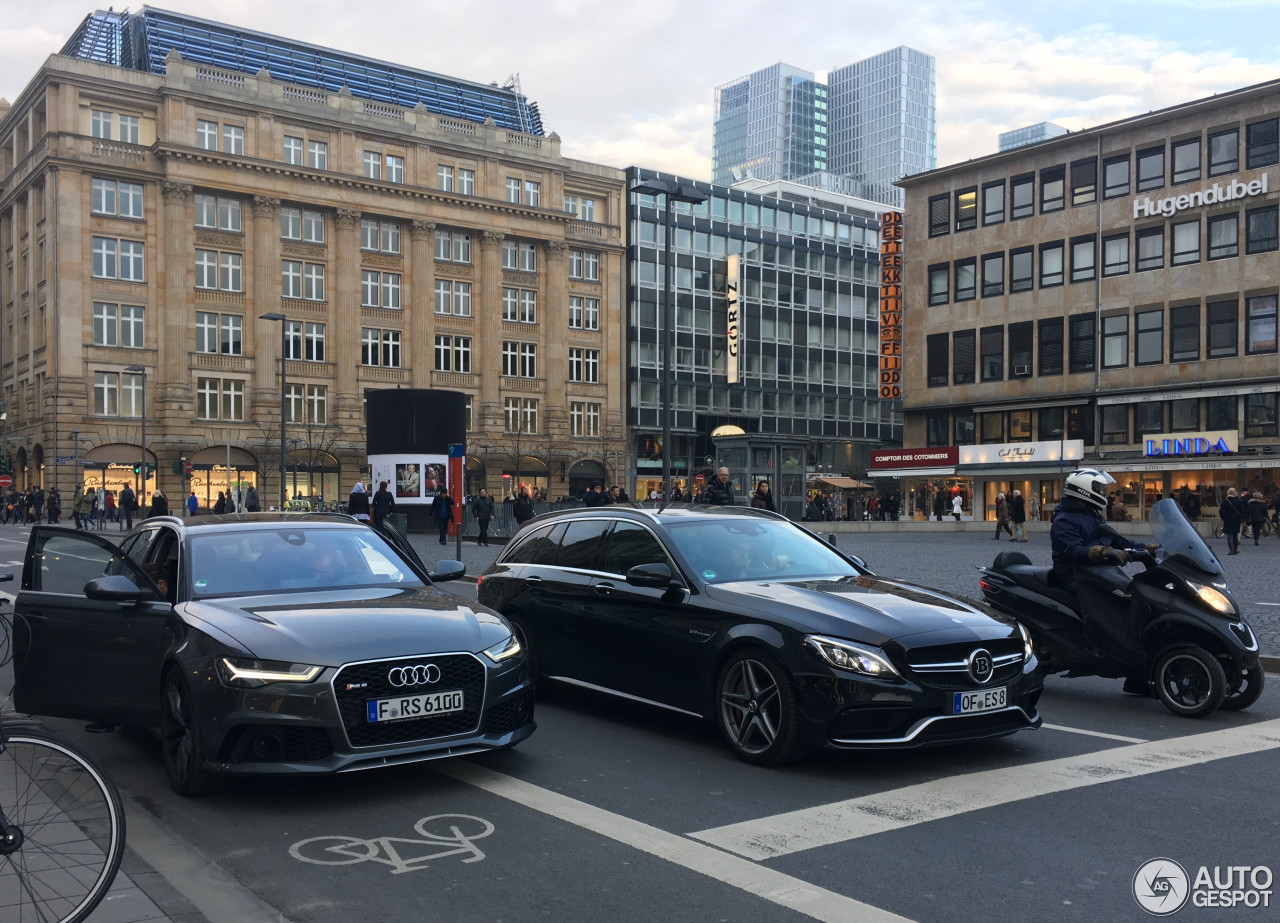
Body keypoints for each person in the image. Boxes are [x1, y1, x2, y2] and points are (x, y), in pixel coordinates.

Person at [1050, 469, 1159, 696]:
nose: (1103, 493)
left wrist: (1145, 547)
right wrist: (1101, 552)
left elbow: (1117, 539)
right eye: (1099, 489)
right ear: (1084, 490)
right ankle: (1113, 658)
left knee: (1138, 605)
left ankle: (1136, 673)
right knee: (1119, 612)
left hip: (1101, 573)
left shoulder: (1092, 514)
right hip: (1078, 577)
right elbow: (1074, 550)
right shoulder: (1064, 519)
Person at [1219, 487, 1245, 555]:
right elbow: (1242, 511)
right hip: (1236, 520)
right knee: (1235, 534)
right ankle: (1235, 549)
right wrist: (1240, 518)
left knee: (1229, 534)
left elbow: (1221, 512)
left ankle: (1231, 550)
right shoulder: (1238, 501)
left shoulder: (1225, 501)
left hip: (1228, 520)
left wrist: (1224, 518)